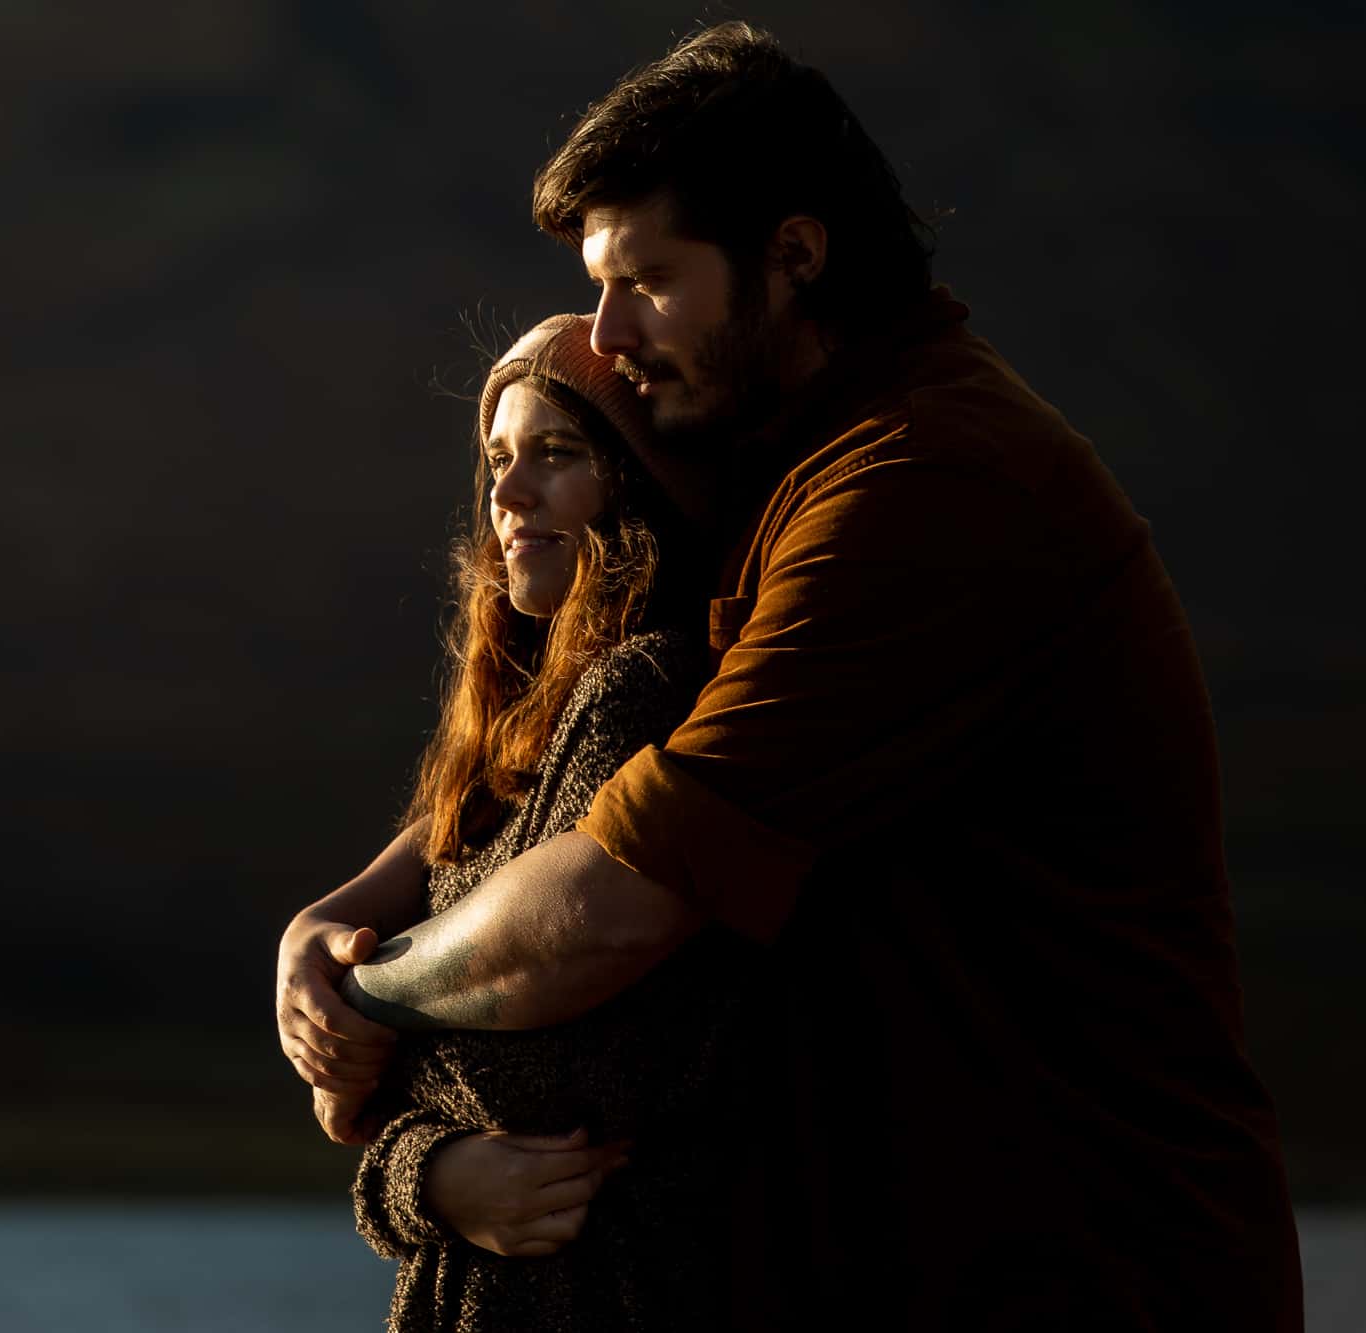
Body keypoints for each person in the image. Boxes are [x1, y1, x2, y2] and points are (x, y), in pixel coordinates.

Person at [276, 22, 1303, 1331]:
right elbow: (519, 833)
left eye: (647, 281)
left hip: (1085, 1258)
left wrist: (364, 995)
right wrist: (328, 932)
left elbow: (605, 911)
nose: (608, 332)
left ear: (796, 258)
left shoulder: (925, 483)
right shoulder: (784, 468)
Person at [291, 313, 735, 1329]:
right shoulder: (521, 728)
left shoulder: (644, 686)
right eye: (496, 458)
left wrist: (358, 1051)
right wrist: (423, 1175)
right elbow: (373, 936)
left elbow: (545, 1069)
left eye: (556, 454)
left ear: (637, 480)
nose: (507, 494)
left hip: (610, 1290)